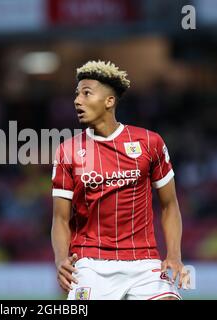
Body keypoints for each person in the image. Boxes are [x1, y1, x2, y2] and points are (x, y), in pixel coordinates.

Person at [51, 60, 189, 300]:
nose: (77, 101)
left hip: (145, 262)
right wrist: (61, 258)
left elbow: (170, 205)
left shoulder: (149, 142)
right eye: (76, 94)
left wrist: (174, 255)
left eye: (86, 93)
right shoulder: (68, 151)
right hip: (91, 264)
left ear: (109, 101)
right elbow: (60, 218)